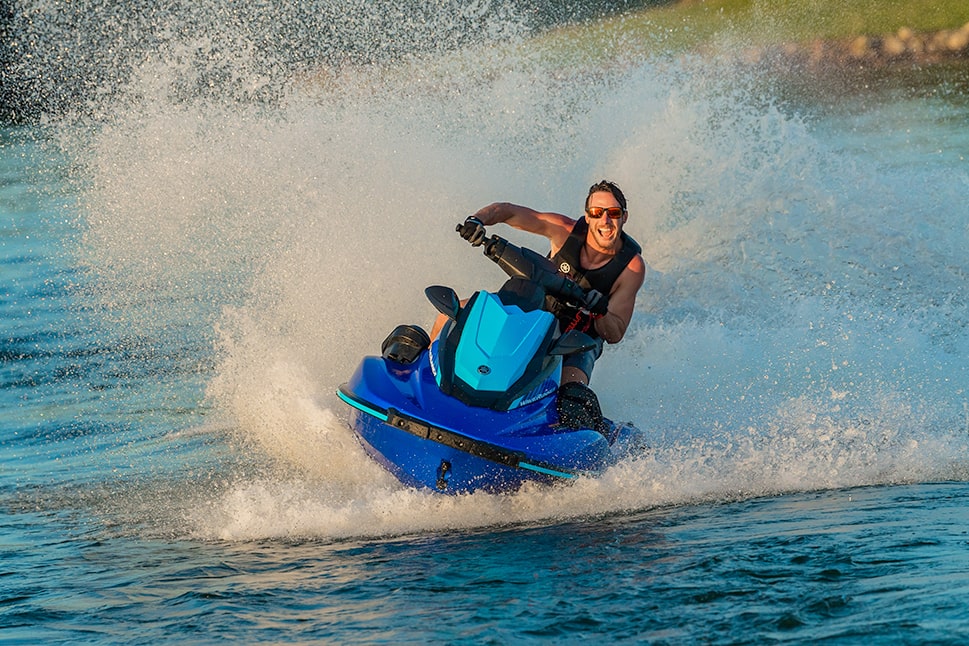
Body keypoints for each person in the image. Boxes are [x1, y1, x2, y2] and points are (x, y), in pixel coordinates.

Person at [451, 180, 646, 395]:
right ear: (588, 216)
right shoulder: (563, 230)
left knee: (572, 390)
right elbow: (508, 212)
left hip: (577, 338)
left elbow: (615, 332)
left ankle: (573, 414)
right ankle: (420, 373)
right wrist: (477, 220)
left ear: (624, 217)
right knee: (457, 310)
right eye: (598, 212)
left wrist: (600, 310)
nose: (606, 220)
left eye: (614, 213)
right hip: (536, 309)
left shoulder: (632, 268)